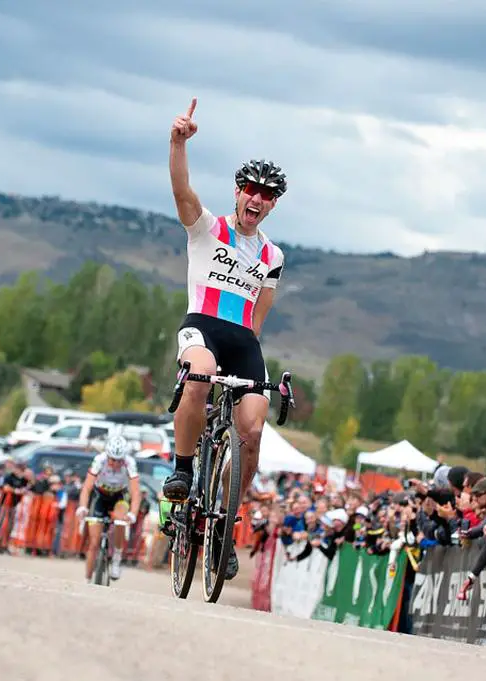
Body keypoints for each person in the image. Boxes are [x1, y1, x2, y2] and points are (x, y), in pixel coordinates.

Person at [159, 98, 289, 580]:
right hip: (202, 326)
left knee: (252, 430)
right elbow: (181, 190)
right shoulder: (209, 228)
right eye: (251, 190)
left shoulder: (273, 254)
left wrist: (251, 369)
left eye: (268, 195)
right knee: (200, 376)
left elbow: (258, 316)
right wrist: (178, 143)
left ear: (274, 203)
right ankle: (184, 470)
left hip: (241, 340)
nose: (257, 200)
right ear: (238, 191)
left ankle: (225, 520)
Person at [76, 435, 141, 581]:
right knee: (94, 542)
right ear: (107, 455)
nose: (116, 463)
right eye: (112, 459)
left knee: (120, 521)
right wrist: (82, 507)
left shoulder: (129, 462)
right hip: (100, 496)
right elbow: (87, 487)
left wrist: (133, 513)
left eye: (119, 460)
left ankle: (117, 558)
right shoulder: (100, 460)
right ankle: (87, 579)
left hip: (119, 497)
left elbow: (135, 492)